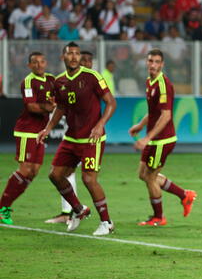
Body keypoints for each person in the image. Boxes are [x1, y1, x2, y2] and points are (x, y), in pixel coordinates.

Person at [37, 42, 117, 236]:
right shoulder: (59, 81)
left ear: (80, 57)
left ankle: (107, 222)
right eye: (69, 53)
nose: (73, 57)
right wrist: (48, 128)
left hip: (92, 138)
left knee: (89, 179)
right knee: (55, 175)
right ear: (63, 57)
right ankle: (79, 210)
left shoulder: (92, 77)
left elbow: (111, 103)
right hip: (71, 138)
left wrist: (99, 125)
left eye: (76, 53)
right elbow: (61, 108)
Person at [128, 49, 197, 226]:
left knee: (150, 177)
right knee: (143, 174)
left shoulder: (163, 84)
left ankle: (159, 217)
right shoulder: (149, 82)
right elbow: (154, 112)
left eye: (157, 62)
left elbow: (166, 116)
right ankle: (184, 195)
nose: (153, 64)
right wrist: (141, 125)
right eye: (150, 61)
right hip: (154, 139)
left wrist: (146, 138)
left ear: (162, 64)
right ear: (147, 62)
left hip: (162, 140)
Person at [0, 52, 56, 225]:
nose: (39, 65)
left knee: (34, 171)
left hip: (40, 132)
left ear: (45, 63)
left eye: (41, 61)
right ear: (29, 66)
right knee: (25, 170)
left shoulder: (52, 80)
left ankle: (4, 206)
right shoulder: (28, 82)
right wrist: (48, 107)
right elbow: (31, 107)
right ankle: (4, 207)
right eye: (35, 63)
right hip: (26, 131)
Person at [45, 50, 94, 224]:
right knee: (63, 173)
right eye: (85, 60)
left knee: (80, 176)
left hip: (89, 139)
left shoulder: (92, 80)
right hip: (74, 136)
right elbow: (65, 105)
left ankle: (75, 211)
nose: (87, 63)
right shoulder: (67, 81)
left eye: (89, 60)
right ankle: (72, 210)